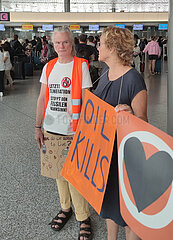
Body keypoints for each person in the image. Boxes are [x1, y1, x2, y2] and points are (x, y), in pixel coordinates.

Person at [35, 26, 93, 240]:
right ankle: (66, 208)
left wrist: (88, 130)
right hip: (52, 129)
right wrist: (37, 126)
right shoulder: (49, 67)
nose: (61, 47)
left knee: (75, 177)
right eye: (57, 43)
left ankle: (83, 216)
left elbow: (87, 99)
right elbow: (42, 98)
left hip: (74, 130)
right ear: (53, 44)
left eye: (65, 42)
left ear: (72, 43)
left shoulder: (81, 66)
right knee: (58, 174)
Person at [94, 26, 147, 240]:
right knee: (109, 204)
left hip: (124, 157)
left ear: (113, 48)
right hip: (106, 153)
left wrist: (131, 114)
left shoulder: (133, 79)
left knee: (127, 210)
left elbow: (144, 121)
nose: (98, 47)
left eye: (101, 43)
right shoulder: (105, 74)